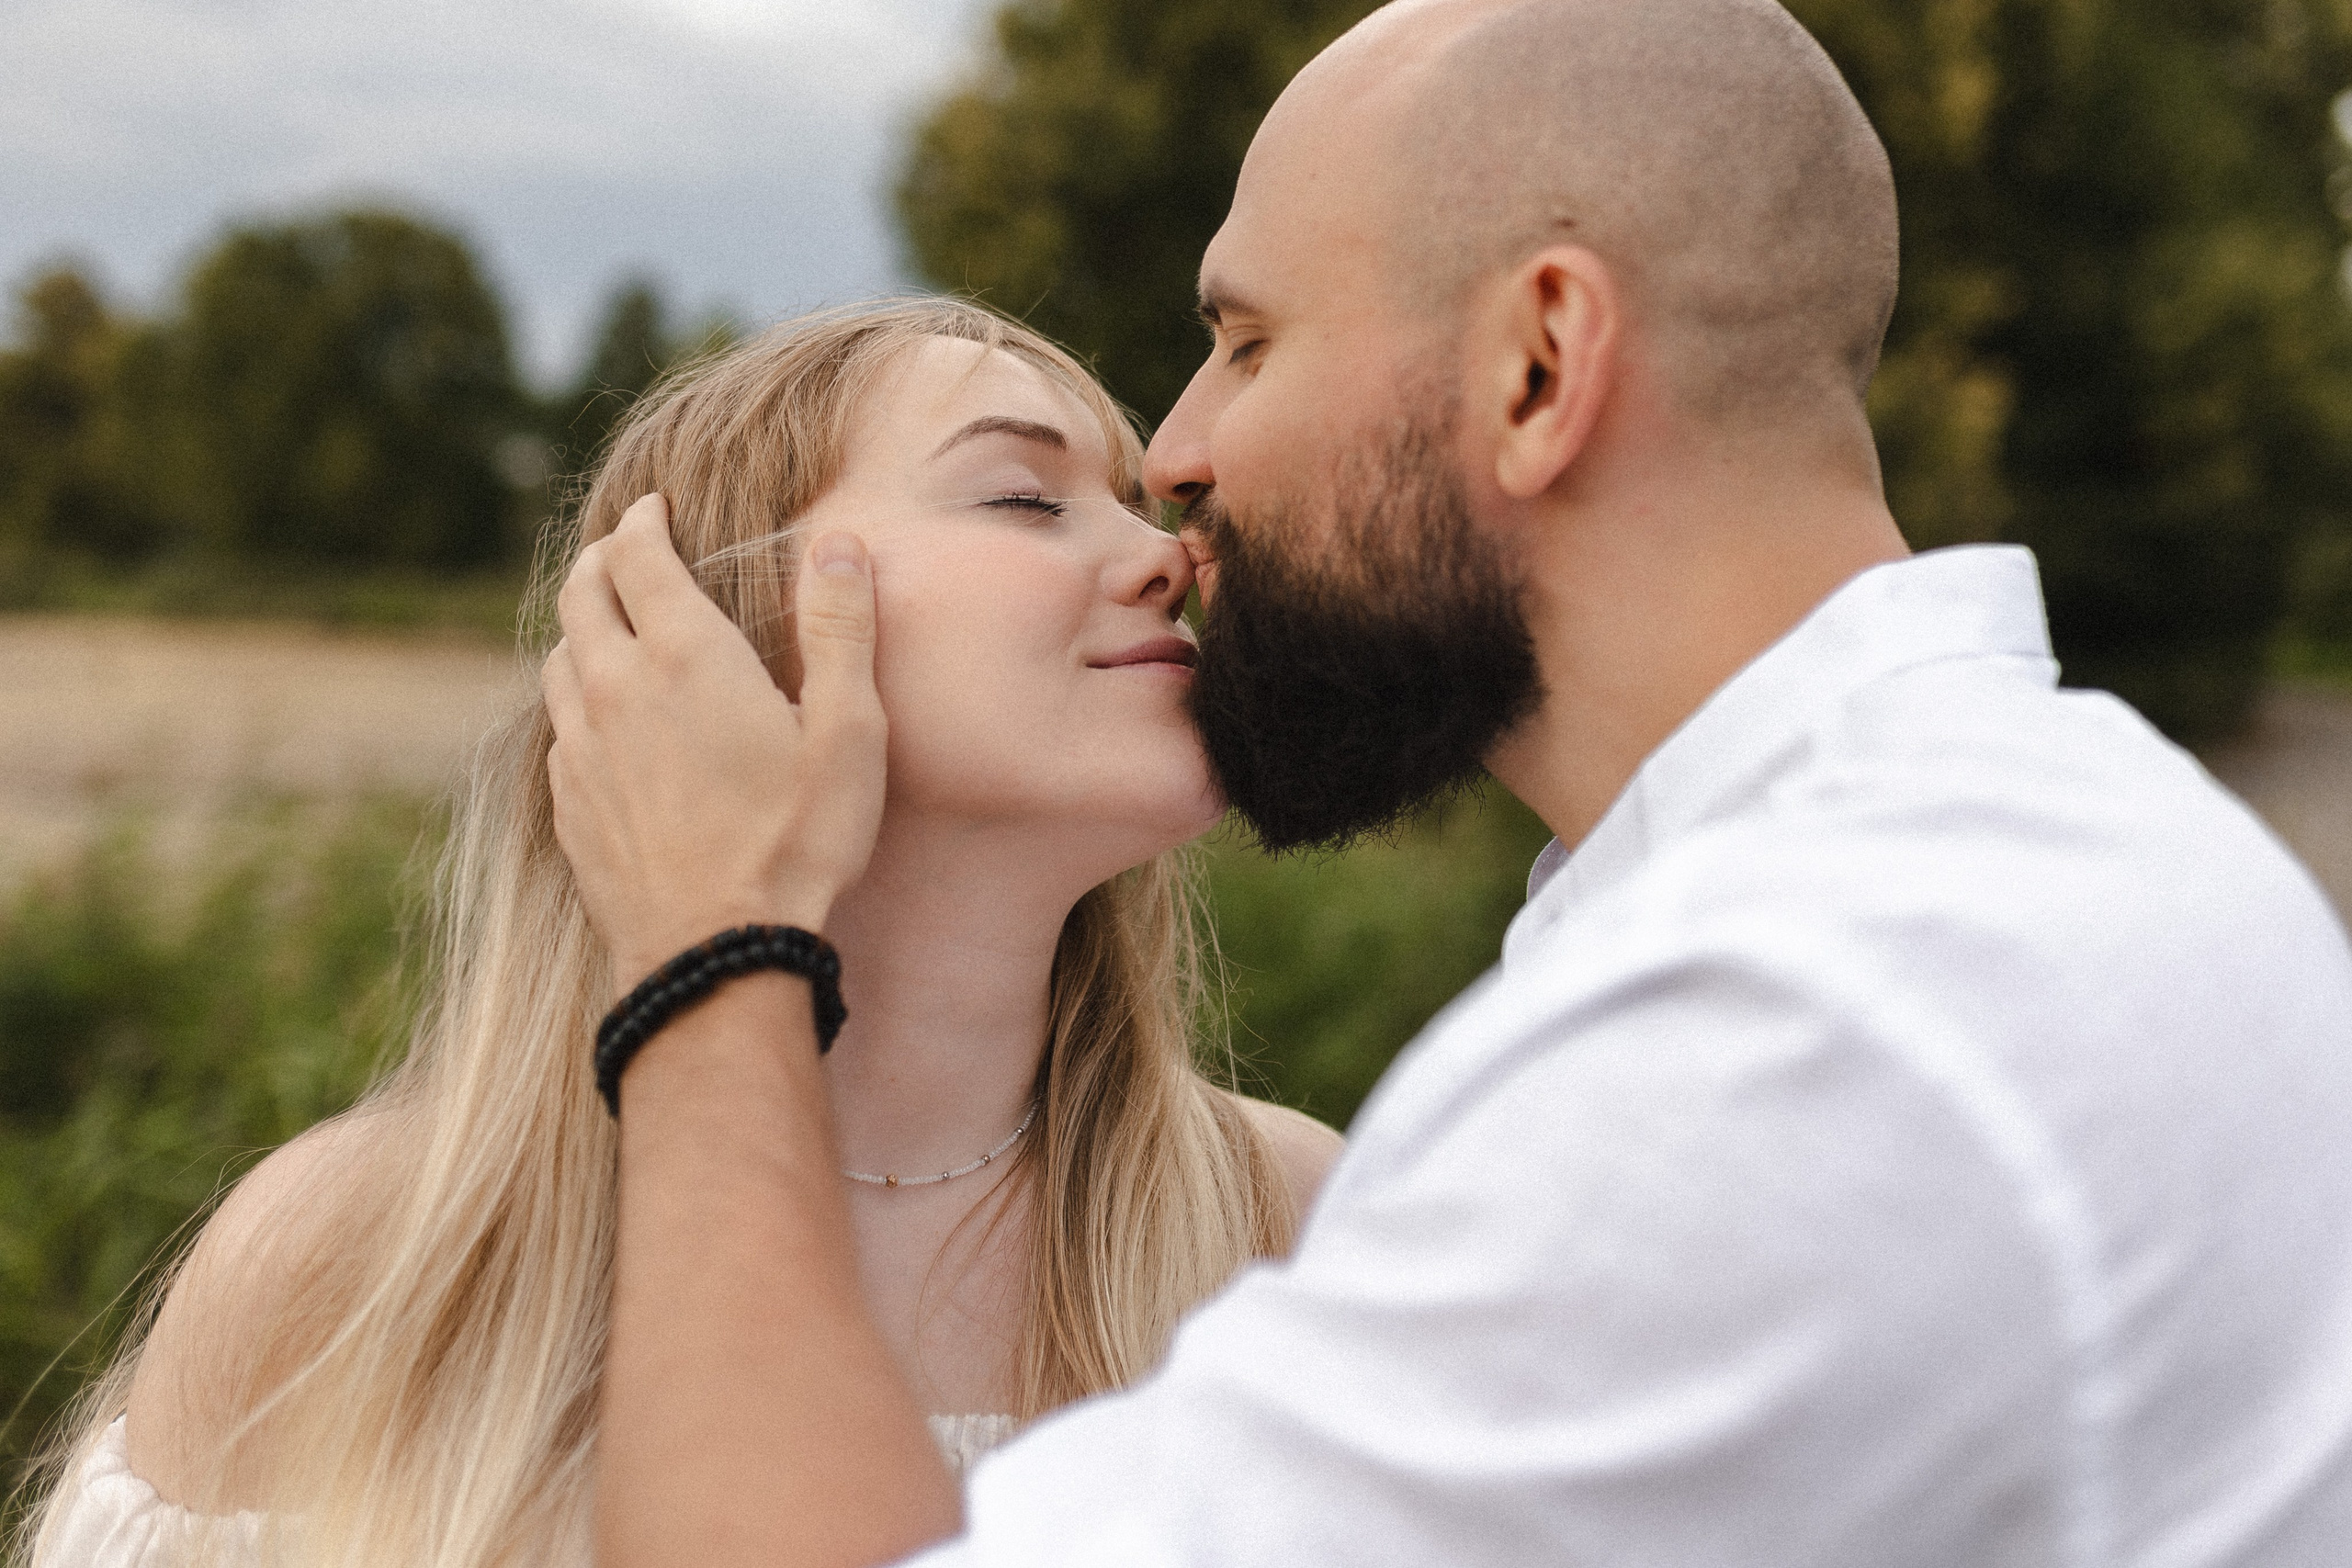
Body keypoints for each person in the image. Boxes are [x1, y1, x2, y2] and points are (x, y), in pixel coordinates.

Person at [556, 0, 2352, 1565]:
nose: (1178, 456)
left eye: (1248, 341)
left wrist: (711, 955)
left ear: (1537, 362)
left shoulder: (1799, 1027)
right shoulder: (2020, 849)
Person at [24, 299, 1340, 1568]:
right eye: (1022, 496)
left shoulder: (1296, 1232)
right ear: (703, 639)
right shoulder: (359, 1261)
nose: (1171, 553)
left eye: (1132, 502)